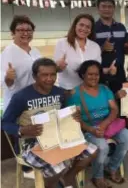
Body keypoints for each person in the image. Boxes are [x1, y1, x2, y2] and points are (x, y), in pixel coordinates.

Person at [1, 58, 97, 188]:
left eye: (53, 74)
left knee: (92, 150)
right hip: (30, 144)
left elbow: (63, 115)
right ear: (35, 76)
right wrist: (22, 130)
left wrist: (73, 116)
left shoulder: (59, 92)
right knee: (58, 166)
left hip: (57, 138)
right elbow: (5, 123)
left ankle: (68, 177)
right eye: (44, 75)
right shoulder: (21, 97)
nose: (49, 79)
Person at [66, 60, 128, 188]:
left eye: (96, 74)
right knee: (102, 146)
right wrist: (91, 129)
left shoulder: (104, 89)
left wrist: (104, 124)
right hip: (87, 128)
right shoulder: (75, 94)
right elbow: (75, 120)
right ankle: (98, 176)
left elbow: (114, 109)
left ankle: (112, 168)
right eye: (90, 74)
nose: (93, 77)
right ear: (83, 75)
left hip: (108, 124)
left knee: (127, 137)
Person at [94, 0, 128, 94]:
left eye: (110, 6)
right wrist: (102, 48)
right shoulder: (93, 28)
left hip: (119, 71)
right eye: (103, 6)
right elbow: (87, 50)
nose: (107, 9)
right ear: (98, 9)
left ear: (113, 8)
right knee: (104, 101)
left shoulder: (121, 27)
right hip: (101, 71)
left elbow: (125, 50)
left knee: (121, 99)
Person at [1, 15, 42, 110]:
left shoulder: (35, 51)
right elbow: (4, 81)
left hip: (34, 101)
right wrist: (8, 78)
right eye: (21, 30)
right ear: (13, 33)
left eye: (29, 30)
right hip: (17, 103)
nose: (25, 33)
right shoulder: (8, 52)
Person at [54, 14, 102, 91]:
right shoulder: (62, 43)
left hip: (89, 90)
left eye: (88, 27)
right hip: (69, 90)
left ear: (91, 30)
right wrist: (59, 67)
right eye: (81, 25)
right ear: (75, 26)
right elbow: (56, 69)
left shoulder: (95, 46)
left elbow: (96, 69)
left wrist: (108, 70)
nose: (84, 29)